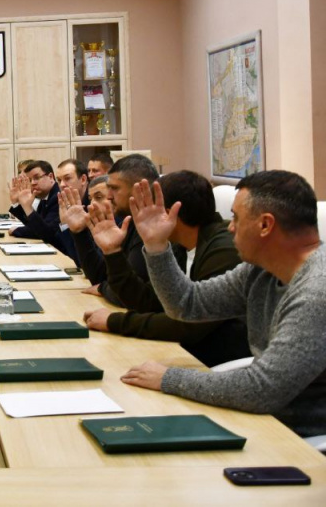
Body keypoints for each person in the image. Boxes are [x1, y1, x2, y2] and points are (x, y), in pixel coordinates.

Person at [121, 171, 326, 438]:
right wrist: (157, 247)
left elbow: (263, 389)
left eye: (236, 218)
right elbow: (187, 304)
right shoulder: (259, 271)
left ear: (265, 225)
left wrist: (169, 378)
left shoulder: (316, 291)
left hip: (297, 439)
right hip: (261, 419)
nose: (230, 227)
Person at [81, 171, 249, 367]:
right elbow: (149, 302)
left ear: (169, 213)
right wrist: (112, 252)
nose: (140, 218)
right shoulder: (180, 245)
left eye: (148, 210)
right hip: (187, 353)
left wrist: (115, 321)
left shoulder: (225, 249)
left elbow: (189, 324)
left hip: (221, 365)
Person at [67, 154, 184, 306]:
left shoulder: (155, 227)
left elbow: (135, 295)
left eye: (114, 188)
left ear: (140, 188)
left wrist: (104, 288)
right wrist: (80, 233)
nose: (109, 196)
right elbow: (101, 277)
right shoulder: (132, 221)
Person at [8, 160, 60, 241]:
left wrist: (16, 230)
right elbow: (34, 225)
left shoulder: (58, 197)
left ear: (50, 177)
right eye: (30, 180)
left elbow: (46, 232)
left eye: (36, 178)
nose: (32, 183)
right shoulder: (44, 196)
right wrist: (16, 202)